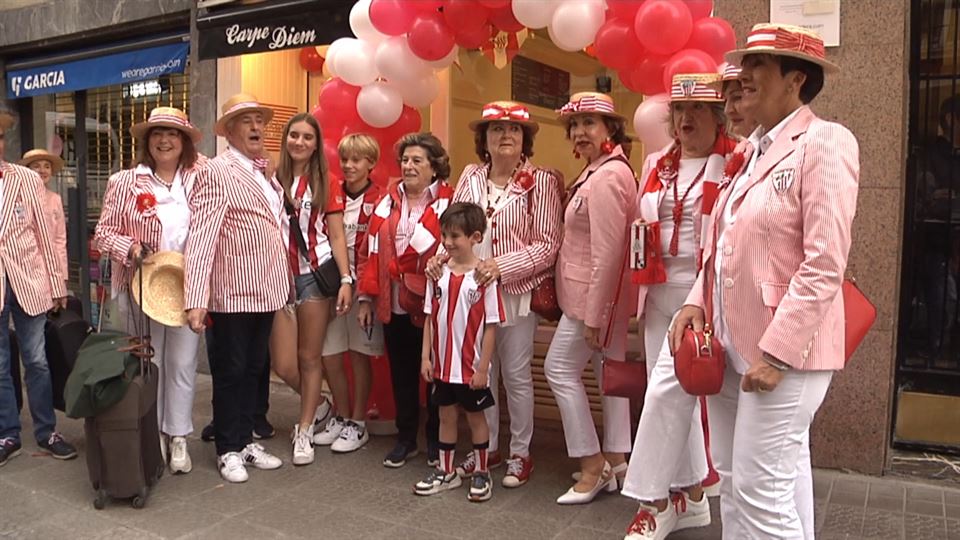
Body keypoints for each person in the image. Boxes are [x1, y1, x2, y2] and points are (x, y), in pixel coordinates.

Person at [669, 24, 859, 539]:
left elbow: (824, 261)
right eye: (745, 62)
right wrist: (696, 303)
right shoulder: (750, 152)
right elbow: (723, 249)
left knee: (761, 493)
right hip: (733, 345)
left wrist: (778, 352)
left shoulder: (825, 141)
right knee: (744, 481)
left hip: (783, 356)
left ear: (796, 80)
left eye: (759, 65)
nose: (743, 74)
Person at [621, 74, 737, 539]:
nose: (686, 119)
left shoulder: (734, 161)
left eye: (699, 110)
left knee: (664, 395)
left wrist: (708, 296)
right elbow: (639, 226)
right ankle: (689, 497)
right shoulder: (654, 163)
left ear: (718, 116)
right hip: (658, 290)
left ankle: (652, 501)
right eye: (679, 111)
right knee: (673, 394)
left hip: (704, 293)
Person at [425, 101, 562, 487]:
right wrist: (441, 258)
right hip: (469, 293)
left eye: (514, 130)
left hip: (514, 292)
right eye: (496, 129)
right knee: (479, 374)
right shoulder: (471, 175)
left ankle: (521, 453)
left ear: (525, 140)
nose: (505, 136)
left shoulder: (542, 182)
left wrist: (503, 266)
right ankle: (489, 448)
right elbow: (453, 228)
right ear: (483, 138)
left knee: (516, 374)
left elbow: (548, 245)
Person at [94, 106, 205, 474]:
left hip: (187, 287)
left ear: (184, 141)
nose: (164, 140)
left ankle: (178, 437)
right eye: (157, 133)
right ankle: (149, 432)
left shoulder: (198, 180)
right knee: (148, 363)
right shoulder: (125, 181)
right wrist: (132, 248)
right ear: (146, 142)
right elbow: (103, 233)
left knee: (183, 363)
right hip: (143, 288)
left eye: (172, 133)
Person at [185, 93, 288, 483]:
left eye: (259, 120)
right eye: (245, 121)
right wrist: (196, 298)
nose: (256, 127)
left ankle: (245, 439)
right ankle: (227, 447)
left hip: (266, 290)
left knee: (255, 368)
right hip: (232, 292)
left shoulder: (264, 172)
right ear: (228, 131)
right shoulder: (217, 171)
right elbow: (201, 237)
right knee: (231, 371)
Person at [544, 92, 636, 504]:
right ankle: (618, 458)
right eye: (575, 126)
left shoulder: (608, 177)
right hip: (597, 301)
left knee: (558, 370)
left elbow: (609, 254)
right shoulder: (599, 172)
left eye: (589, 124)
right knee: (608, 376)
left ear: (610, 130)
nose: (579, 133)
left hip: (591, 302)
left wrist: (597, 315)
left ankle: (592, 462)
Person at [357, 132, 453, 468]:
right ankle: (406, 437)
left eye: (417, 161)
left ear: (434, 167)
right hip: (394, 301)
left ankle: (437, 439)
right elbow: (370, 252)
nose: (408, 167)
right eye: (405, 160)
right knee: (402, 372)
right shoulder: (386, 202)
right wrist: (367, 297)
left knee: (436, 374)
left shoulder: (448, 203)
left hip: (433, 304)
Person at [267, 113, 352, 466]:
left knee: (308, 358)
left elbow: (335, 235)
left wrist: (346, 279)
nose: (299, 142)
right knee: (284, 365)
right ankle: (319, 405)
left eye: (307, 137)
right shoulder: (272, 179)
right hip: (276, 279)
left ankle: (304, 430)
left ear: (317, 144)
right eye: (294, 135)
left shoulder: (326, 181)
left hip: (313, 276)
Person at [415, 202, 503, 502]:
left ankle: (481, 471)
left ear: (475, 237)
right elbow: (429, 317)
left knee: (477, 418)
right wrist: (426, 357)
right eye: (445, 236)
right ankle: (446, 471)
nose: (448, 242)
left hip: (470, 367)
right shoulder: (436, 274)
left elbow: (491, 326)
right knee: (446, 416)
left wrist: (483, 368)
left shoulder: (484, 278)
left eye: (455, 236)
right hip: (442, 366)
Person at [0, 110, 73, 465]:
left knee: (37, 360)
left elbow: (46, 237)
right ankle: (8, 433)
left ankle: (47, 431)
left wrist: (57, 282)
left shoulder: (25, 179)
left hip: (29, 279)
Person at [316, 133, 386, 454]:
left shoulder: (383, 199)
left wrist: (367, 296)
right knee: (330, 353)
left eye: (357, 160)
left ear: (371, 163)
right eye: (345, 159)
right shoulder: (330, 194)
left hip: (364, 288)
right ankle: (342, 416)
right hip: (331, 284)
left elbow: (379, 249)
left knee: (359, 354)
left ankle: (358, 423)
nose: (349, 165)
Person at [20, 149, 67, 287]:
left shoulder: (55, 199)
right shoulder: (17, 197)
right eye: (36, 166)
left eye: (47, 166)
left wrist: (62, 275)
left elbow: (60, 239)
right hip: (23, 268)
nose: (42, 170)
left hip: (50, 268)